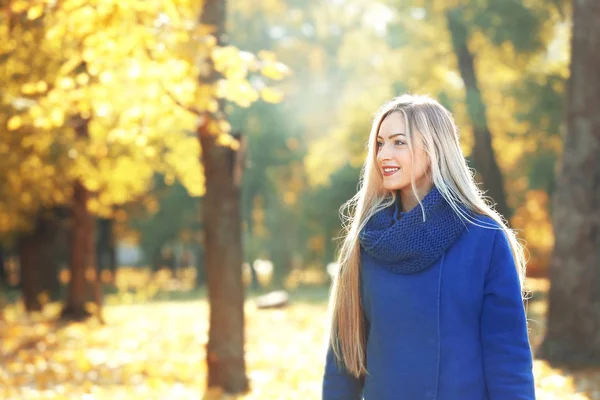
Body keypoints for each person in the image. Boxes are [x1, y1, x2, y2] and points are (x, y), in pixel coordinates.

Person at [322, 94, 535, 400]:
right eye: (380, 144)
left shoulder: (485, 238)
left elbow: (508, 355)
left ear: (433, 147)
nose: (383, 155)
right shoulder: (365, 240)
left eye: (399, 142)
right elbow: (343, 359)